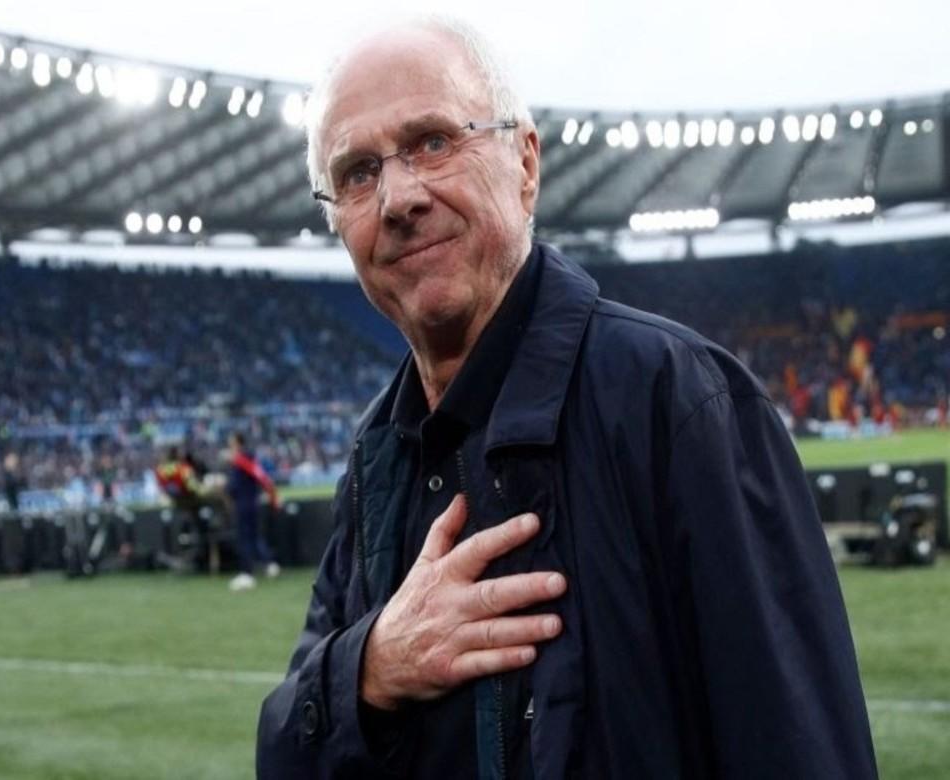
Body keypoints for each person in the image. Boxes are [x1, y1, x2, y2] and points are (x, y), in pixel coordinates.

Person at [257, 17, 876, 779]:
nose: (398, 197)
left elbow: (799, 751)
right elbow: (283, 751)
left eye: (432, 142)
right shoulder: (376, 458)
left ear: (524, 162)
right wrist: (370, 667)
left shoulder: (679, 402)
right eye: (357, 172)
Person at [226, 432, 282, 591]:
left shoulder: (240, 461)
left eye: (231, 443)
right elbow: (262, 478)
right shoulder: (251, 460)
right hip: (253, 502)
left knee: (244, 537)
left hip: (243, 503)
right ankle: (269, 564)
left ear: (238, 443)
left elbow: (234, 486)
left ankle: (246, 573)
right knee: (255, 536)